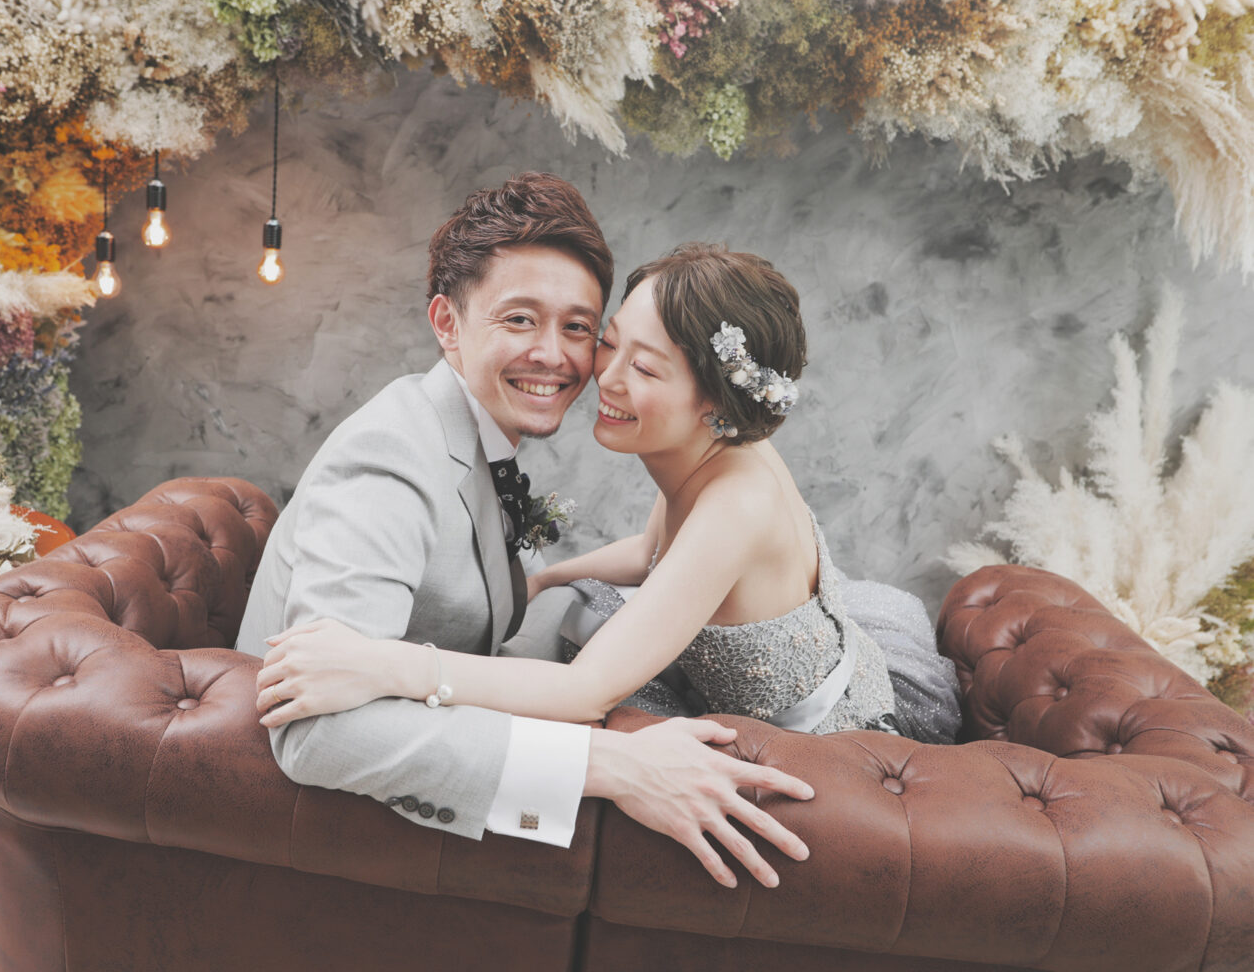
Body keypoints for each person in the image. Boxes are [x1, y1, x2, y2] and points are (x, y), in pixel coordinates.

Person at [236, 179, 816, 893]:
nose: (559, 357)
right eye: (519, 319)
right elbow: (317, 734)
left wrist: (537, 586)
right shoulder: (389, 458)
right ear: (447, 323)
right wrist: (612, 766)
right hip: (309, 842)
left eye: (577, 328)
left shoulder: (475, 435)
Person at [253, 244, 963, 795]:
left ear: (716, 403)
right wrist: (549, 575)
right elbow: (653, 550)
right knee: (566, 609)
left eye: (645, 370)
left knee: (574, 659)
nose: (607, 377)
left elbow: (582, 692)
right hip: (763, 658)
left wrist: (385, 664)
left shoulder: (737, 501)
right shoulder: (700, 448)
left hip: (814, 734)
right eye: (611, 342)